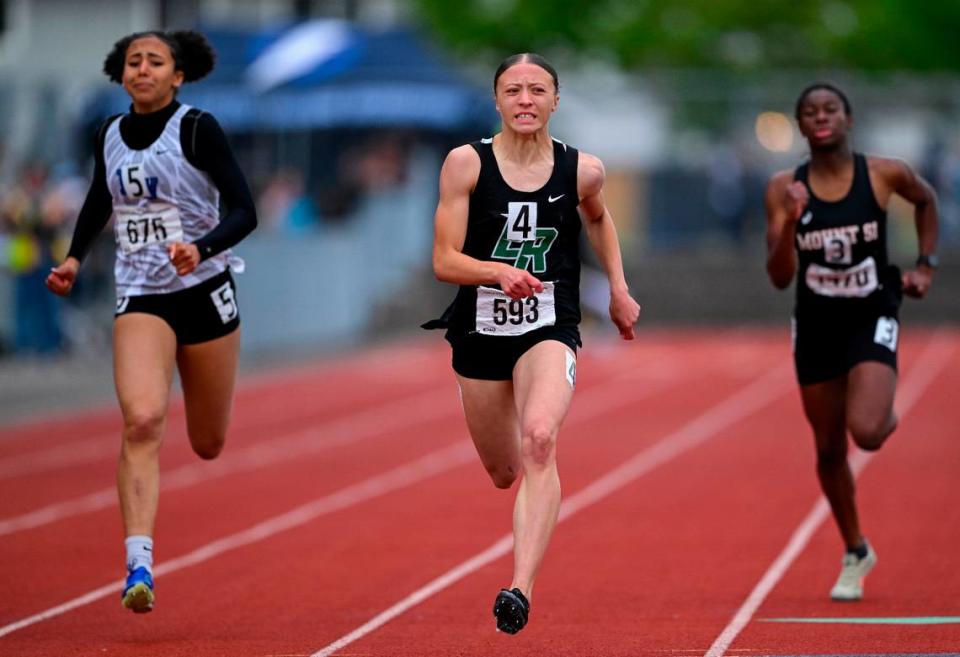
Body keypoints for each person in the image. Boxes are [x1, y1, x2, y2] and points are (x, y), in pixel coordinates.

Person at [424, 53, 640, 633]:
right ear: (496, 100)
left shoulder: (581, 170)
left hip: (550, 323)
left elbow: (598, 219)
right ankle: (483, 400)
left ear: (555, 99)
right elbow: (443, 260)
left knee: (541, 439)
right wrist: (496, 272)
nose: (525, 100)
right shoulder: (465, 164)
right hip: (479, 328)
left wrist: (618, 290)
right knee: (504, 471)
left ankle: (519, 589)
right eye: (513, 90)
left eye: (536, 90)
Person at [46, 30, 257, 613]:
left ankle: (198, 396)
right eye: (134, 61)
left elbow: (245, 209)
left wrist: (203, 246)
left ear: (177, 75)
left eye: (155, 61)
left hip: (205, 291)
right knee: (141, 419)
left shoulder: (196, 128)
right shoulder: (108, 134)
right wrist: (72, 258)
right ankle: (139, 563)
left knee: (208, 442)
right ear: (122, 73)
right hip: (142, 294)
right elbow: (98, 199)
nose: (142, 70)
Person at [764, 83, 938, 601]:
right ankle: (856, 548)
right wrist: (791, 222)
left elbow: (926, 201)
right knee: (828, 446)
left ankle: (882, 398)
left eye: (830, 110)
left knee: (867, 431)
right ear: (800, 126)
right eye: (810, 112)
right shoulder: (783, 187)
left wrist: (925, 265)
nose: (821, 118)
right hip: (816, 324)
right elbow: (777, 275)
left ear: (848, 119)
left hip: (872, 313)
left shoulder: (884, 173)